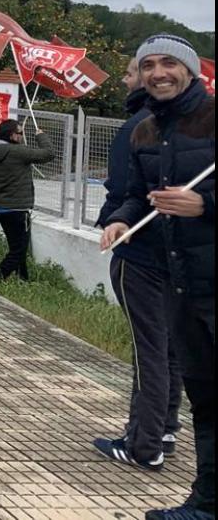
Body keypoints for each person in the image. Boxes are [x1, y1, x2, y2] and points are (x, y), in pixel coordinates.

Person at [101, 35, 214, 517]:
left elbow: (198, 199)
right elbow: (137, 193)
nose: (157, 72)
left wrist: (205, 204)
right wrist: (121, 218)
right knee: (205, 401)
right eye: (148, 64)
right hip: (177, 283)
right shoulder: (146, 129)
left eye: (169, 62)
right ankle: (205, 503)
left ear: (189, 70)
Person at [92, 56, 183, 474]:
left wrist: (115, 222)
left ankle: (144, 443)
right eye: (142, 68)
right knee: (169, 347)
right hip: (174, 255)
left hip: (141, 253)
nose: (131, 79)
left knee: (149, 349)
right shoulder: (182, 123)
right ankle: (164, 427)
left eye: (130, 74)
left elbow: (124, 188)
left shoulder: (139, 128)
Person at [0, 119, 54, 281]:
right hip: (17, 209)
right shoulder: (17, 152)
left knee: (17, 247)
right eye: (20, 133)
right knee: (18, 251)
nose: (22, 136)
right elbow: (49, 154)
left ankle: (23, 279)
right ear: (12, 135)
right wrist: (41, 136)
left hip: (1, 208)